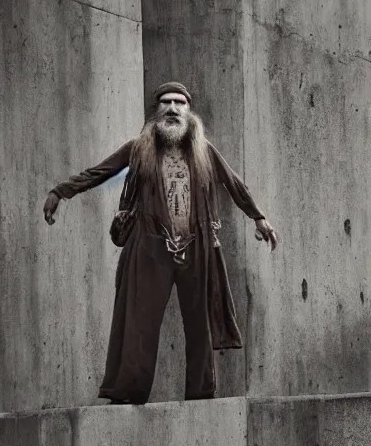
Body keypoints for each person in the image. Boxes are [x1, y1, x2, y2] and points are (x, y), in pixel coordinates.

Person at [42, 81, 278, 405]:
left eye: (179, 103)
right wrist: (60, 192)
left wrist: (259, 217)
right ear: (157, 111)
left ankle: (201, 394)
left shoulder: (204, 151)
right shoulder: (138, 148)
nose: (172, 108)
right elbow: (98, 172)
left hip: (196, 248)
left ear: (188, 111)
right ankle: (128, 394)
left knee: (200, 327)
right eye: (165, 103)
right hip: (151, 247)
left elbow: (235, 183)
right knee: (141, 324)